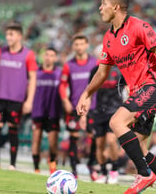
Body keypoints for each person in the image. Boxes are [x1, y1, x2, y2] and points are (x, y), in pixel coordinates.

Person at [76, 0, 156, 194]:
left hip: (155, 87)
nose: (99, 7)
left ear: (115, 7)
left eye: (103, 3)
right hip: (141, 92)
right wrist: (86, 93)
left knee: (116, 122)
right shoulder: (109, 38)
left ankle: (143, 174)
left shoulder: (139, 27)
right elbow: (102, 73)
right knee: (140, 146)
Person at [0, 22, 37, 170]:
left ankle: (12, 164)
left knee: (13, 129)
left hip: (16, 99)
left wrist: (29, 100)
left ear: (19, 36)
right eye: (7, 34)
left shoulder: (28, 54)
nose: (8, 37)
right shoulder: (1, 52)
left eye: (11, 34)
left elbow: (33, 78)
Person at [59, 34, 98, 178]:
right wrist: (65, 101)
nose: (79, 47)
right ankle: (74, 169)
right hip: (74, 106)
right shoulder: (69, 65)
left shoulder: (95, 63)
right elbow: (62, 85)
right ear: (73, 47)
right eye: (76, 44)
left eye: (82, 44)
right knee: (73, 137)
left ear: (87, 45)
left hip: (93, 106)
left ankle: (91, 165)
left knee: (93, 136)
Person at [31, 47, 62, 174]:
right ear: (43, 56)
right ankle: (36, 168)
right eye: (47, 55)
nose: (48, 57)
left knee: (53, 142)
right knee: (36, 138)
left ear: (55, 58)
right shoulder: (36, 73)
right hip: (38, 110)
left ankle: (52, 166)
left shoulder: (59, 73)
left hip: (53, 111)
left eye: (51, 55)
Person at [91, 65, 123, 184]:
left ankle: (114, 170)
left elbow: (129, 88)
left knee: (111, 141)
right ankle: (104, 173)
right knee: (99, 144)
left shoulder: (120, 69)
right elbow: (89, 89)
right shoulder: (96, 70)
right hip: (99, 112)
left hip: (114, 111)